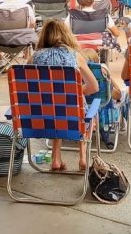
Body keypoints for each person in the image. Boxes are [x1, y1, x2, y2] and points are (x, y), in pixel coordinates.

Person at [31, 20, 99, 172]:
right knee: (77, 106)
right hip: (72, 116)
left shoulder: (34, 57)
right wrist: (77, 90)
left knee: (54, 104)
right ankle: (82, 158)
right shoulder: (75, 56)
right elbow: (94, 87)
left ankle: (56, 159)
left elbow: (31, 87)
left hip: (40, 116)